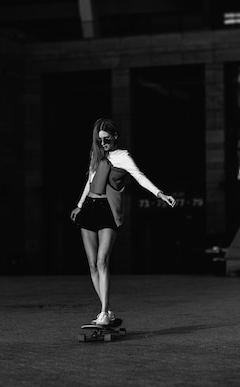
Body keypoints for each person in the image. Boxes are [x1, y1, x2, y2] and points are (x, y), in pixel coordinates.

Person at [70, 118, 176, 326]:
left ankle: (102, 311)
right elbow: (89, 182)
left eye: (106, 139)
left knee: (102, 261)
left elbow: (140, 177)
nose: (103, 144)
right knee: (92, 264)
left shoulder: (122, 156)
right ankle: (106, 311)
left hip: (107, 210)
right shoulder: (96, 154)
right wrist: (80, 205)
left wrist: (160, 194)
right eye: (99, 140)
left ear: (115, 136)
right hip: (89, 209)